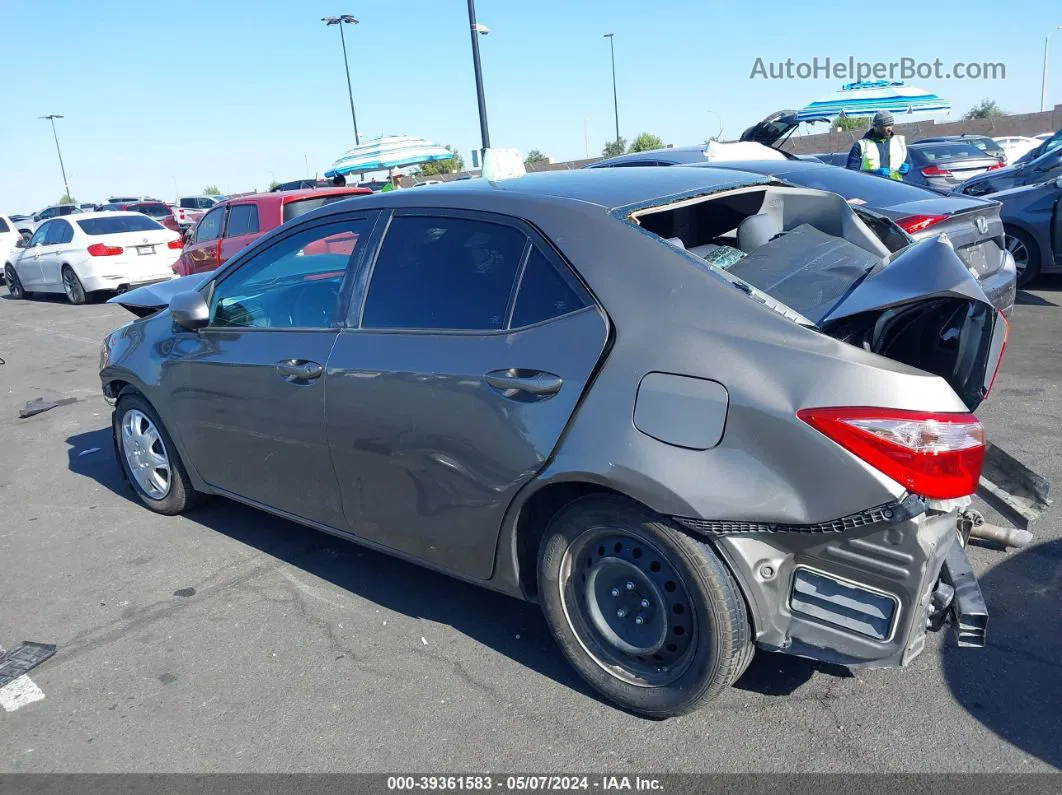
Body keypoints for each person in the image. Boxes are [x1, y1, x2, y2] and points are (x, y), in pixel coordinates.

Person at [845, 110, 910, 180]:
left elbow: (909, 163)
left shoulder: (899, 142)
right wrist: (873, 173)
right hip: (872, 188)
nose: (889, 129)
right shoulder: (861, 145)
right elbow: (851, 172)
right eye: (885, 125)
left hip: (896, 187)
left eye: (891, 125)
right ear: (876, 127)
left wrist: (909, 167)